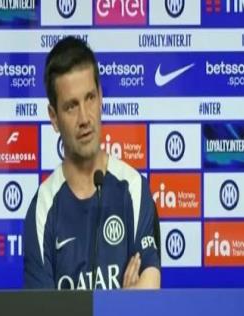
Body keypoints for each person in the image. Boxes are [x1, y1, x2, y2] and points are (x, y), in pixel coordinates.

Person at [23, 36, 160, 290]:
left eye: (90, 98)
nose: (85, 118)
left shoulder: (133, 188)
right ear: (53, 117)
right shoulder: (42, 208)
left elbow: (149, 288)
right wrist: (123, 299)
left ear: (101, 98)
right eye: (71, 107)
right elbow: (42, 312)